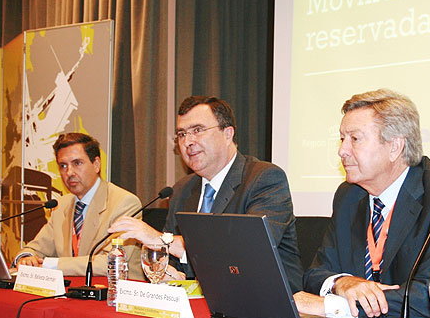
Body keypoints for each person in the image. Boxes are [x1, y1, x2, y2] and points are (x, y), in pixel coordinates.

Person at [295, 89, 430, 318]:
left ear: (394, 146)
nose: (342, 151)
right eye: (342, 139)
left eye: (355, 139)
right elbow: (315, 275)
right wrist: (343, 283)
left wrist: (335, 307)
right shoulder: (349, 195)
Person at [108, 95, 303, 293]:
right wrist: (169, 273)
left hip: (264, 304)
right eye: (182, 134)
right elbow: (174, 261)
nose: (187, 142)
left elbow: (247, 253)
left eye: (198, 130)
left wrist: (162, 240)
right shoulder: (181, 190)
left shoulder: (264, 179)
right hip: (203, 306)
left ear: (228, 134)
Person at [14, 132, 143, 280]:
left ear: (96, 164)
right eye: (63, 166)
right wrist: (26, 258)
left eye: (77, 163)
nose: (69, 172)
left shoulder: (124, 203)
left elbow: (110, 262)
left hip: (116, 294)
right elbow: (36, 248)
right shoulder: (61, 205)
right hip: (74, 293)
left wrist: (49, 265)